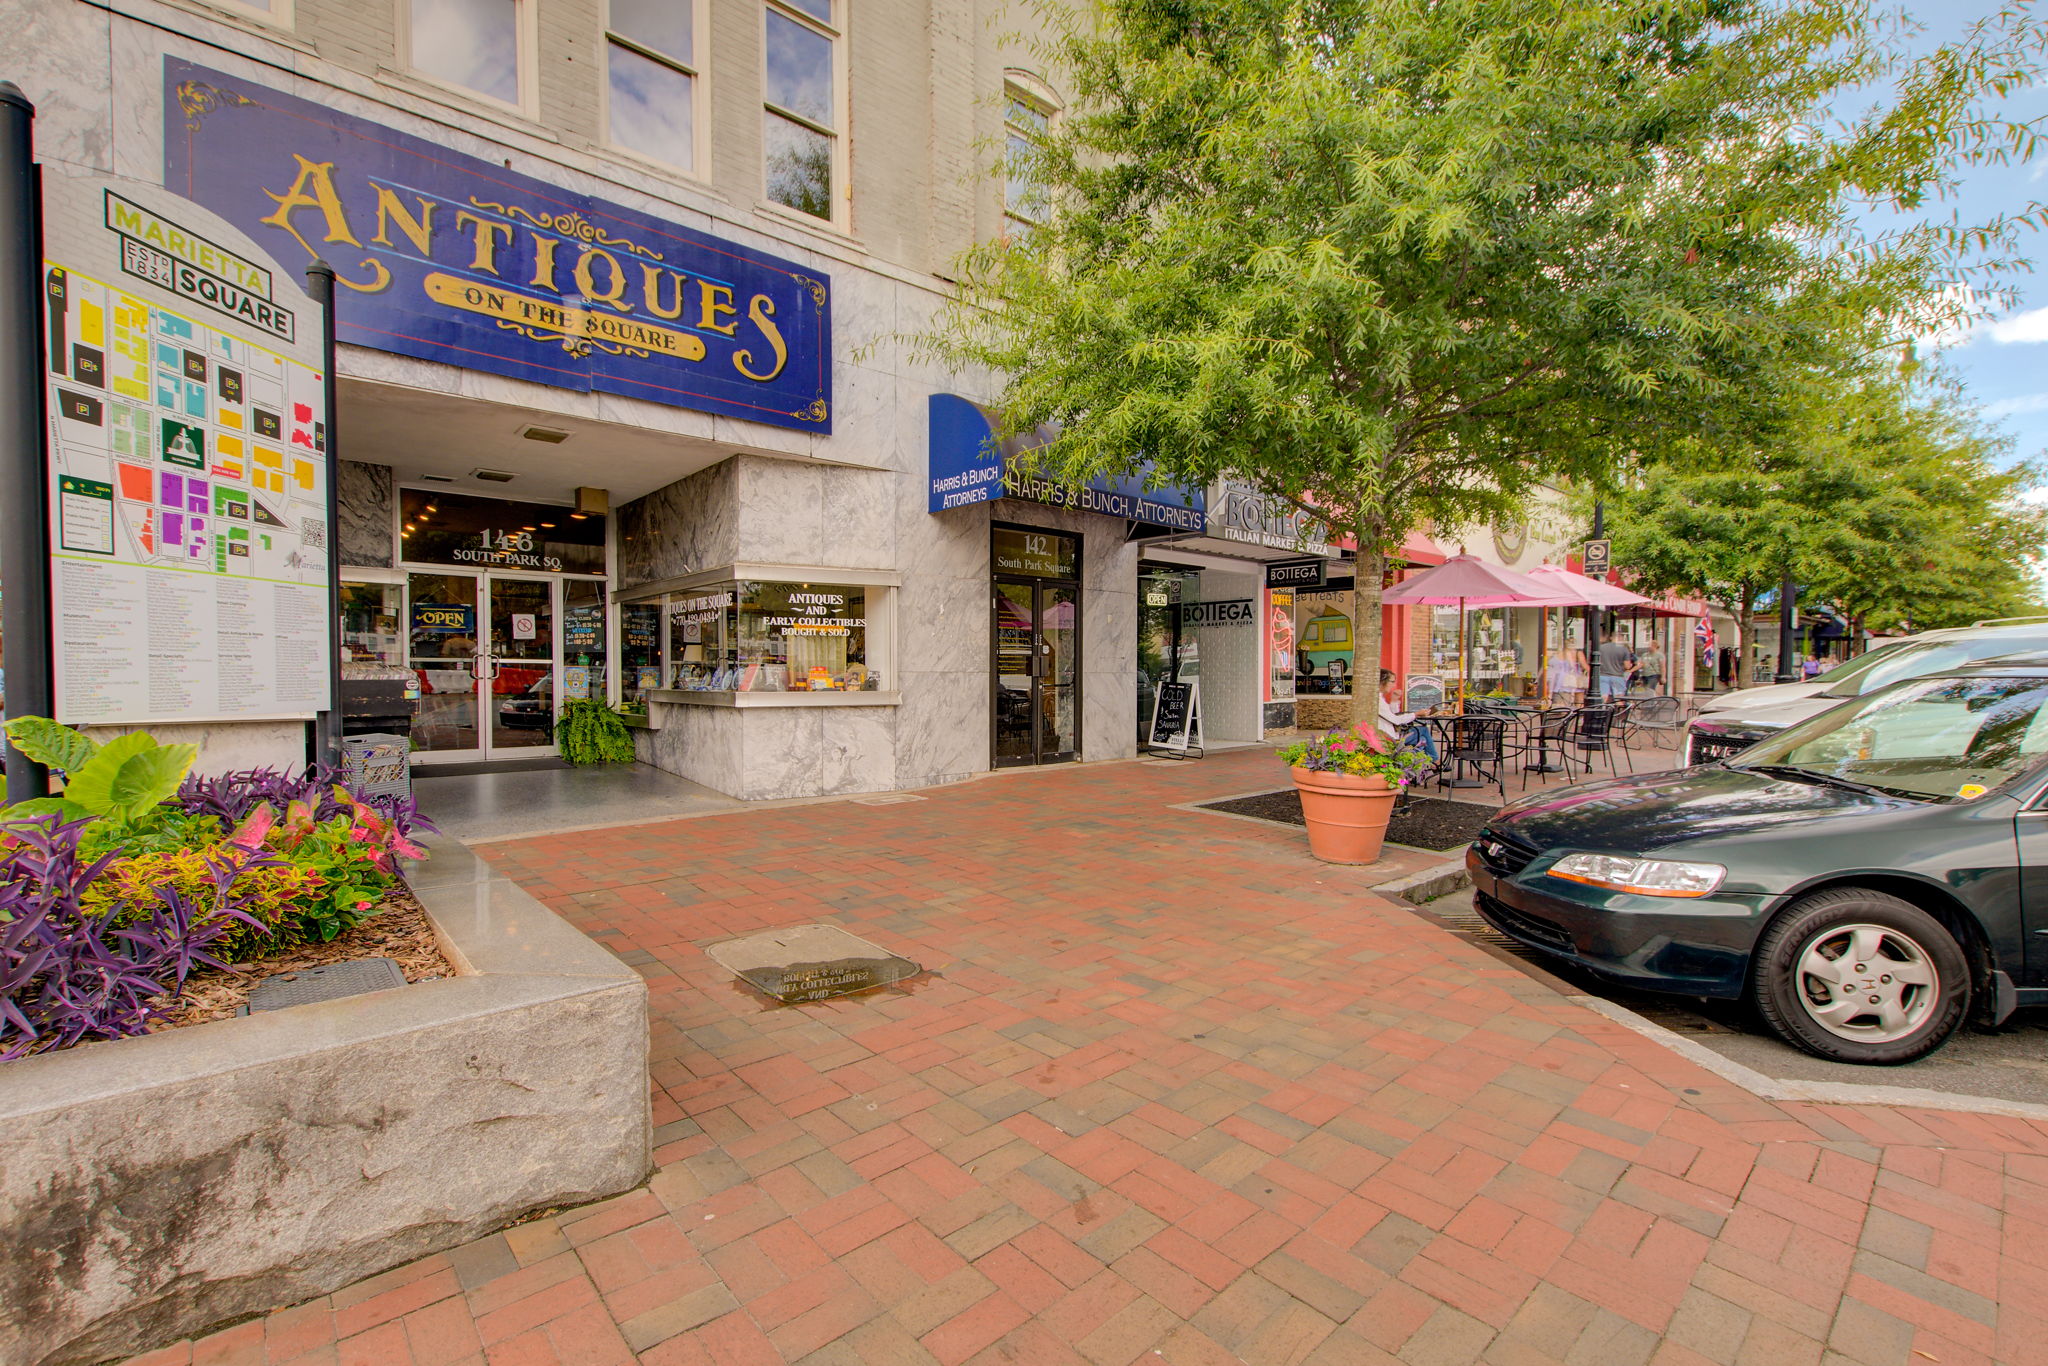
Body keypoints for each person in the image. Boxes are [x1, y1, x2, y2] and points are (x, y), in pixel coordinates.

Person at [1377, 668, 1439, 760]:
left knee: (1422, 739)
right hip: (1389, 737)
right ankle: (1434, 760)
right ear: (1382, 681)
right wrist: (1416, 714)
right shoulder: (1378, 700)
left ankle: (1426, 762)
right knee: (1423, 731)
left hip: (1390, 734)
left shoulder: (1380, 698)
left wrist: (1394, 700)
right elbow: (1396, 720)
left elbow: (1392, 715)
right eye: (1392, 681)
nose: (1393, 685)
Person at [1596, 636, 1634, 700]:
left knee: (1604, 697)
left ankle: (1603, 709)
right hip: (1617, 676)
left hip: (1603, 675)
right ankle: (1618, 710)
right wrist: (1630, 665)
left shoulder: (1601, 647)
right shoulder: (1624, 649)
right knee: (1618, 698)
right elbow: (1627, 666)